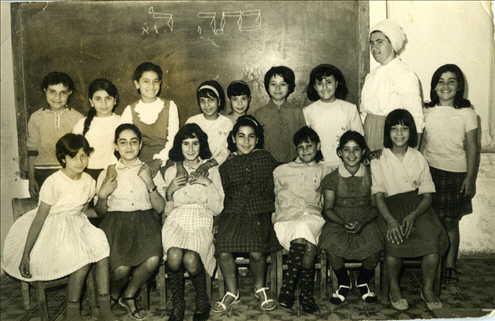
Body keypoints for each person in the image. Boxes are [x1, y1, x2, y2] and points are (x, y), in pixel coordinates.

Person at [2, 134, 118, 321]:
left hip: (76, 223)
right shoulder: (54, 182)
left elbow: (84, 211)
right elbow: (40, 219)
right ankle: (72, 312)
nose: (80, 161)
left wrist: (106, 203)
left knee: (101, 249)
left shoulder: (89, 180)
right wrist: (26, 254)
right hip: (52, 229)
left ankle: (104, 307)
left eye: (83, 155)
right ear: (63, 158)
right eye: (73, 157)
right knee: (82, 258)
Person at [371, 109, 448, 311]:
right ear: (387, 133)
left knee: (432, 241)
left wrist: (414, 215)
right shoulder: (378, 159)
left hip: (418, 208)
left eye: (404, 128)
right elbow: (378, 196)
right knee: (394, 241)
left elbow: (427, 196)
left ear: (411, 131)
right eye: (394, 129)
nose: (399, 133)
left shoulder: (419, 158)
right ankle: (394, 289)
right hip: (389, 209)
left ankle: (428, 288)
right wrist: (390, 221)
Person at [95, 124, 166, 320]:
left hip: (145, 221)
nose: (128, 147)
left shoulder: (149, 170)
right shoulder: (108, 172)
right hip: (116, 223)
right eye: (123, 142)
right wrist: (102, 196)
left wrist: (149, 183)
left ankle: (129, 295)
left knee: (153, 260)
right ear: (116, 146)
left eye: (134, 142)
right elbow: (100, 213)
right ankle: (114, 294)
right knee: (120, 270)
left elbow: (160, 208)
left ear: (141, 145)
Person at [214, 115, 281, 312]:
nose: (246, 141)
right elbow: (223, 195)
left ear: (257, 139)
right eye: (241, 136)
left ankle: (260, 287)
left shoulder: (266, 158)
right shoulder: (226, 165)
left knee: (256, 251)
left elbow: (281, 179)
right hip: (233, 213)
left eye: (251, 137)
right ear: (233, 139)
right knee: (223, 248)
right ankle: (232, 291)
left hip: (258, 212)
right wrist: (218, 219)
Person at [422, 64, 479, 284]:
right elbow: (421, 144)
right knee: (430, 220)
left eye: (451, 81)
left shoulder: (467, 113)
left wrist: (470, 178)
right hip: (429, 172)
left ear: (459, 86)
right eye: (440, 81)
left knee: (450, 222)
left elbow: (472, 148)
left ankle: (450, 264)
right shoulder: (426, 111)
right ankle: (431, 263)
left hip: (456, 173)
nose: (445, 86)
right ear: (434, 87)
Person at [162, 123, 224, 321]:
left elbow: (217, 208)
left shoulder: (210, 170)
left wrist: (208, 184)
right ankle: (178, 305)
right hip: (177, 219)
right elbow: (166, 210)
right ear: (179, 146)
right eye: (186, 144)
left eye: (195, 143)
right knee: (173, 255)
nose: (190, 149)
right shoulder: (172, 172)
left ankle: (202, 299)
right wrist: (169, 192)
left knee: (190, 258)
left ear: (201, 145)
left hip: (201, 219)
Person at [319, 131, 384, 305]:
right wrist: (342, 222)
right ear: (339, 153)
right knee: (331, 244)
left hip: (366, 219)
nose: (351, 154)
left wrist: (362, 223)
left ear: (363, 151)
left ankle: (362, 280)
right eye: (346, 150)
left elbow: (374, 206)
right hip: (338, 220)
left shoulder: (372, 175)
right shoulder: (332, 178)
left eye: (356, 149)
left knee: (375, 244)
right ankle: (343, 282)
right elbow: (328, 209)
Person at [273, 126, 330, 313]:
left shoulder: (325, 170)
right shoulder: (281, 171)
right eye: (300, 147)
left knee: (305, 229)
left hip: (313, 218)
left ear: (318, 146)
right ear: (296, 149)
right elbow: (275, 200)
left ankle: (288, 288)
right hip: (287, 219)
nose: (305, 150)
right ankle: (306, 295)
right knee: (307, 243)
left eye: (309, 146)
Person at [360, 19, 424, 152]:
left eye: (380, 42)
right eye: (372, 43)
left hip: (392, 136)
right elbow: (363, 113)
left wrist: (413, 155)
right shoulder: (371, 76)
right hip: (368, 134)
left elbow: (416, 118)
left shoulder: (405, 74)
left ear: (392, 43)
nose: (374, 47)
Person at [27, 72, 84, 198]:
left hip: (69, 172)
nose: (57, 97)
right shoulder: (36, 118)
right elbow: (32, 151)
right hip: (42, 173)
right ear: (45, 91)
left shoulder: (78, 118)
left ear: (69, 93)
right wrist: (31, 179)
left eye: (63, 92)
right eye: (52, 91)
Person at [120, 62, 180, 175]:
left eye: (155, 81)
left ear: (160, 83)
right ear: (137, 84)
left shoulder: (170, 106)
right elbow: (123, 142)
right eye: (146, 81)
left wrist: (157, 162)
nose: (151, 86)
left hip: (166, 161)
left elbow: (174, 140)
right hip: (137, 164)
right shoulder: (129, 110)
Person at [304, 64, 364, 170]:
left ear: (336, 83)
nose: (325, 87)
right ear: (314, 87)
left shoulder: (350, 108)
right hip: (318, 166)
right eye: (319, 83)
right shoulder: (308, 111)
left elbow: (358, 140)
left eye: (329, 82)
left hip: (345, 165)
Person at [254, 66, 306, 164]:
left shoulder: (297, 111)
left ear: (289, 86)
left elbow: (303, 139)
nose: (277, 88)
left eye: (283, 84)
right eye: (273, 84)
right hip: (266, 164)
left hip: (294, 163)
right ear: (267, 87)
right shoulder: (260, 113)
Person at [183, 80, 233, 179]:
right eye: (202, 101)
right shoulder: (192, 121)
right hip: (192, 167)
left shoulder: (227, 123)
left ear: (219, 101)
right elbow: (182, 147)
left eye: (211, 100)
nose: (207, 105)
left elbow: (225, 151)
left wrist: (207, 165)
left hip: (217, 168)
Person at [73, 78, 121, 180]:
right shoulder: (81, 124)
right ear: (91, 102)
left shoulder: (122, 121)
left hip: (115, 172)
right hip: (86, 172)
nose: (103, 104)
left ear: (115, 100)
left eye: (108, 98)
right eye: (98, 99)